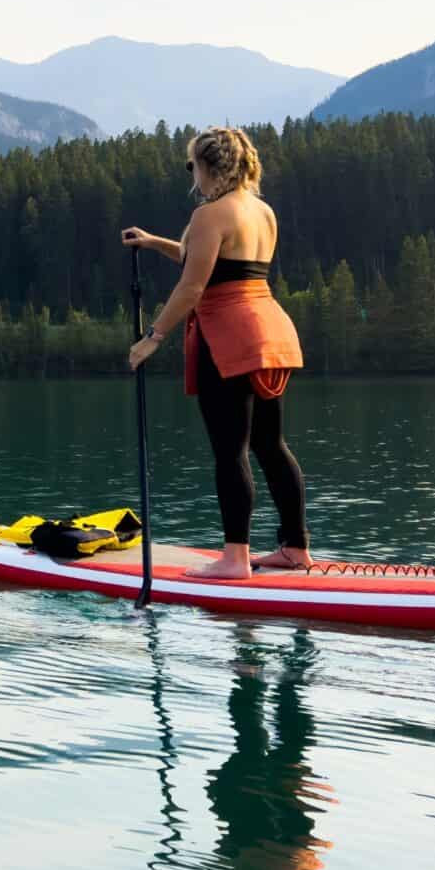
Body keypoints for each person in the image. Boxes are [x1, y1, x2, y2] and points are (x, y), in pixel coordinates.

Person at [121, 127, 309, 578]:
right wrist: (153, 242)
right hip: (270, 331)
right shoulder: (262, 212)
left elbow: (193, 285)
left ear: (210, 166)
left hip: (228, 337)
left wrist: (153, 337)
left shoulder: (209, 214)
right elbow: (218, 264)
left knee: (230, 450)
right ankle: (295, 548)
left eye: (193, 166)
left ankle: (234, 559)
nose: (193, 176)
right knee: (270, 444)